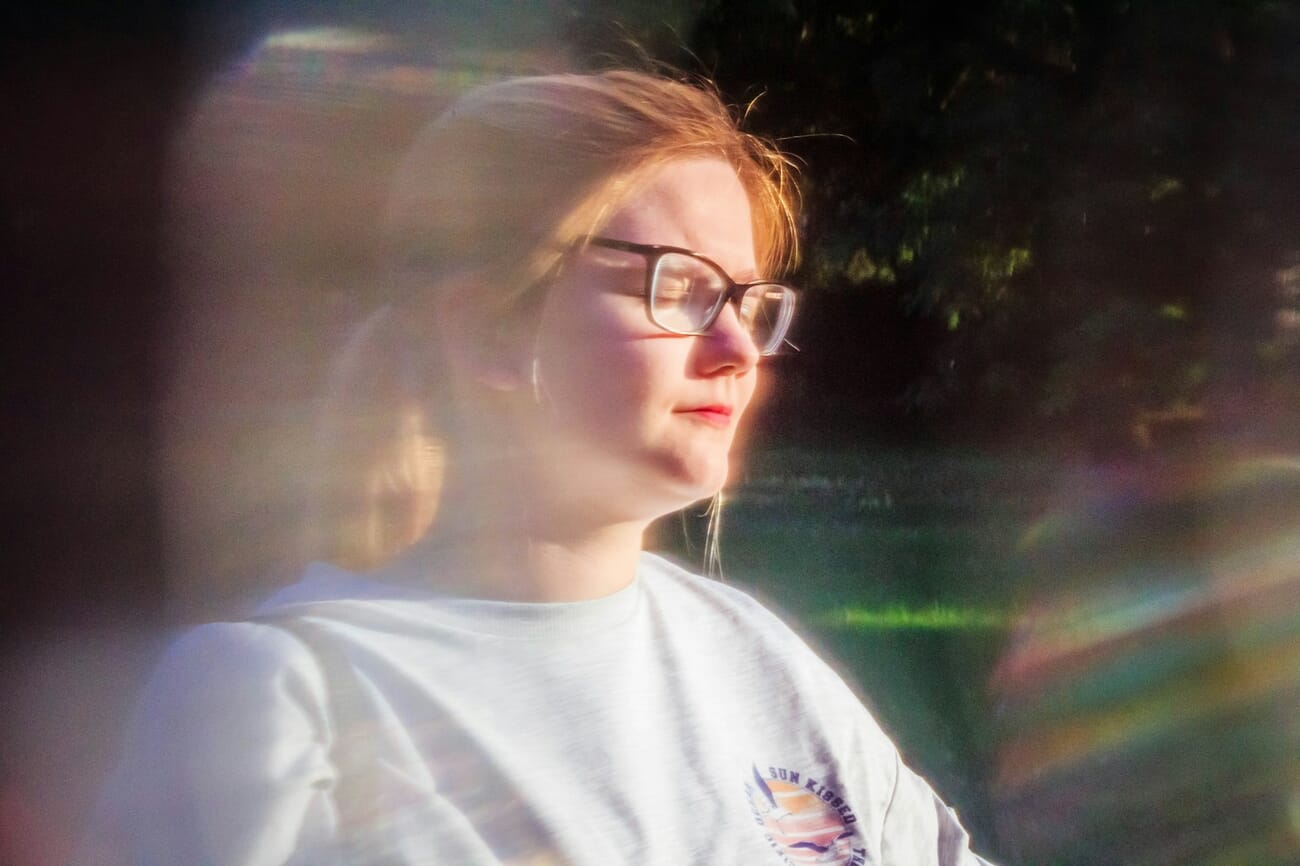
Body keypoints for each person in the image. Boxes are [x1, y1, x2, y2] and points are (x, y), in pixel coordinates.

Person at [82, 70, 994, 866]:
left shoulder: (760, 660)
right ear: (483, 332)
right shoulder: (278, 699)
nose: (735, 349)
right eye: (681, 289)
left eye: (747, 302)